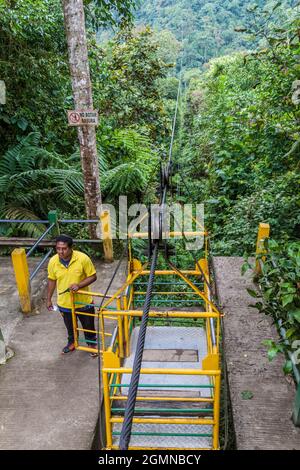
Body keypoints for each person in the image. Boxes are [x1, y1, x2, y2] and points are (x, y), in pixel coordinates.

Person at [47, 234, 98, 356]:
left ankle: (91, 344)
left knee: (88, 325)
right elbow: (52, 280)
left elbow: (93, 276)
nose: (61, 251)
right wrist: (48, 299)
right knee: (70, 326)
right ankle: (72, 343)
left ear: (71, 248)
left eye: (64, 248)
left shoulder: (83, 259)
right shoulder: (53, 261)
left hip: (84, 301)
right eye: (58, 248)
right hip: (65, 303)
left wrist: (79, 285)